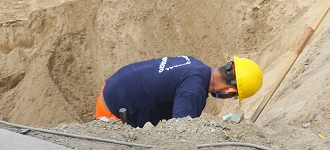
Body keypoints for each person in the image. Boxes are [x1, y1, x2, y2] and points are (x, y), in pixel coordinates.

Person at [95, 55, 263, 128]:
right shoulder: (194, 91)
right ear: (230, 90)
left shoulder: (195, 64)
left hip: (113, 86)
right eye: (234, 96)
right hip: (112, 111)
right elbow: (179, 133)